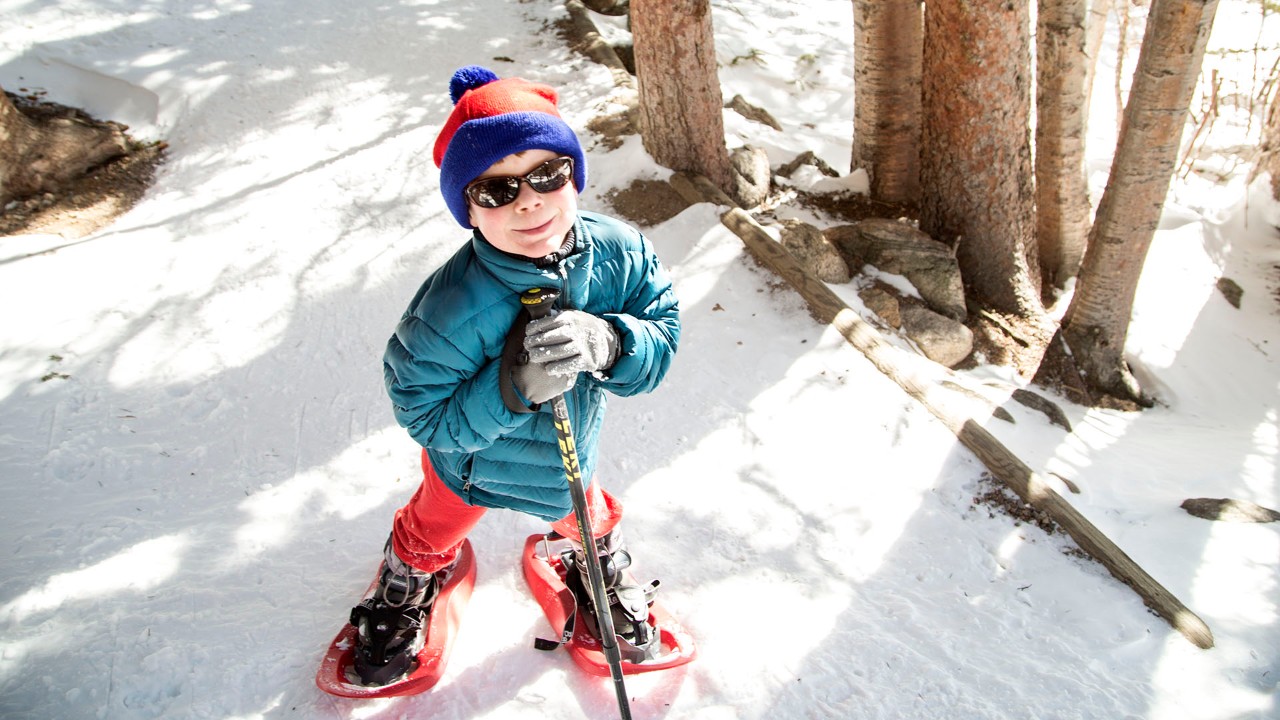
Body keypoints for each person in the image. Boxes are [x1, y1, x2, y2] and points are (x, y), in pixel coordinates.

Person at [347, 65, 681, 686]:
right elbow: (424, 414)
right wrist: (511, 388)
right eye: (496, 190)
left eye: (547, 175)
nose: (528, 199)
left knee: (585, 514)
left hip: (568, 458)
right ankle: (411, 571)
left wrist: (610, 341)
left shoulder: (621, 252)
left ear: (573, 175)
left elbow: (661, 331)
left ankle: (592, 564)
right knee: (434, 522)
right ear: (468, 211)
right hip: (468, 467)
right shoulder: (451, 307)